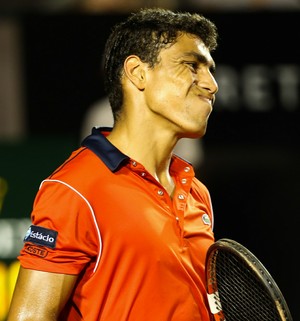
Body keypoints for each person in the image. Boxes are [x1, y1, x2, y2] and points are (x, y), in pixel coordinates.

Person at [7, 7, 218, 321]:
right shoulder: (75, 190)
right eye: (192, 65)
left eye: (210, 70)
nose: (211, 84)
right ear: (137, 72)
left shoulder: (196, 192)